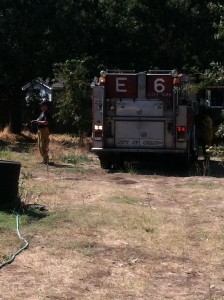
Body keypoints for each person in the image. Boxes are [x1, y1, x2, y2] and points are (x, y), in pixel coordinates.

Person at [31, 100, 51, 164]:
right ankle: (44, 159)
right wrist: (35, 121)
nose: (41, 107)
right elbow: (38, 119)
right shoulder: (42, 113)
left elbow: (46, 122)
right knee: (40, 145)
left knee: (43, 145)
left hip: (44, 130)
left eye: (42, 106)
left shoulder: (47, 113)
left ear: (45, 106)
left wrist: (37, 122)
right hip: (40, 130)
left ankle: (46, 159)